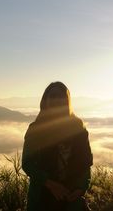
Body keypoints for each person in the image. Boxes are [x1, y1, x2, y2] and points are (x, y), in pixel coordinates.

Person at [22, 82, 93, 211]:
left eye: (61, 97)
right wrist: (51, 184)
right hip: (41, 197)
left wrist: (81, 188)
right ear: (45, 100)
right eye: (53, 96)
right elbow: (27, 163)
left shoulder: (78, 127)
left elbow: (85, 162)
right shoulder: (36, 129)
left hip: (70, 198)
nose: (57, 100)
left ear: (67, 101)